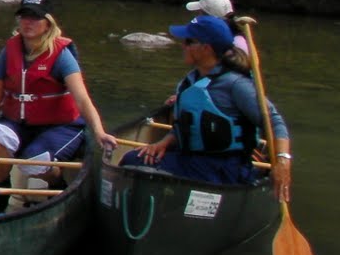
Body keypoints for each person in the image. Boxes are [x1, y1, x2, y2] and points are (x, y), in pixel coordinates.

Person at [125, 14, 293, 200]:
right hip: (192, 161)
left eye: (189, 41)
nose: (183, 45)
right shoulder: (191, 80)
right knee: (132, 160)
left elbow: (275, 122)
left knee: (136, 168)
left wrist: (283, 160)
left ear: (206, 48)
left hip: (224, 169)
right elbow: (190, 125)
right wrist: (164, 142)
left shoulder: (236, 84)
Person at [0, 0, 115, 183]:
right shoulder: (9, 51)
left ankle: (57, 184)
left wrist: (99, 131)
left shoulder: (61, 55)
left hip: (60, 126)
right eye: (24, 16)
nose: (28, 22)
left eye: (35, 17)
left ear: (48, 23)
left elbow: (83, 100)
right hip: (18, 122)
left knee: (34, 160)